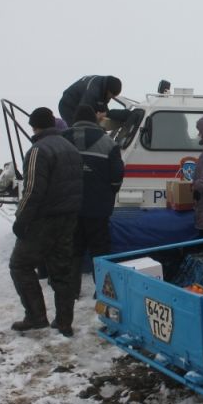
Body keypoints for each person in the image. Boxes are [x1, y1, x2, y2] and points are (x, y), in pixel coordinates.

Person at [8, 107, 83, 337]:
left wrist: (21, 220)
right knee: (61, 271)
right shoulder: (71, 148)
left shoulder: (37, 151)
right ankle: (64, 322)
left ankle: (36, 316)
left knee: (20, 265)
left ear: (34, 126)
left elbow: (31, 191)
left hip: (43, 221)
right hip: (69, 219)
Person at [61, 105, 124, 299]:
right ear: (94, 120)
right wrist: (107, 193)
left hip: (69, 207)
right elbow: (117, 176)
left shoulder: (62, 140)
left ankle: (71, 291)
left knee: (72, 250)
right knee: (101, 250)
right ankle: (103, 291)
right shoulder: (108, 143)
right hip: (98, 207)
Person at [58, 75, 122, 127]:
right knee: (79, 128)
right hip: (67, 107)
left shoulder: (103, 86)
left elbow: (102, 107)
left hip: (80, 103)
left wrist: (107, 114)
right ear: (108, 90)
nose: (111, 98)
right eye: (111, 96)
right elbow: (83, 111)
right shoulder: (93, 92)